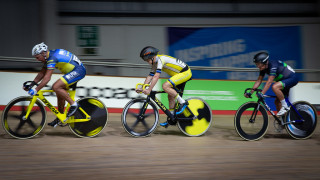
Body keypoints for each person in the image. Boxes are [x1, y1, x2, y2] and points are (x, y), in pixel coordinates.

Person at [24, 42, 86, 127]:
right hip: (73, 71)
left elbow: (47, 78)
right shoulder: (49, 56)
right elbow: (42, 73)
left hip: (79, 70)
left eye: (37, 57)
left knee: (55, 86)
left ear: (43, 53)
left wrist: (36, 89)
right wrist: (33, 83)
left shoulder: (52, 57)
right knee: (59, 94)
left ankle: (74, 104)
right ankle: (60, 117)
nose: (37, 59)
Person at [136, 46, 192, 127]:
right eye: (146, 60)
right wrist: (143, 87)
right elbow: (150, 76)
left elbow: (156, 76)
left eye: (148, 60)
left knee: (165, 86)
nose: (148, 62)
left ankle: (183, 102)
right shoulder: (155, 63)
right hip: (178, 74)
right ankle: (172, 117)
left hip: (185, 72)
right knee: (170, 95)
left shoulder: (161, 60)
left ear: (153, 57)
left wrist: (149, 89)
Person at [244, 52, 298, 116]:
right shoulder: (263, 68)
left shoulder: (273, 66)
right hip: (283, 80)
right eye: (256, 64)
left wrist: (262, 93)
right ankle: (282, 122)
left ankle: (285, 107)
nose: (258, 66)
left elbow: (269, 82)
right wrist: (251, 92)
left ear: (264, 62)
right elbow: (259, 81)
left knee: (275, 87)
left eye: (259, 64)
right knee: (277, 102)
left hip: (292, 78)